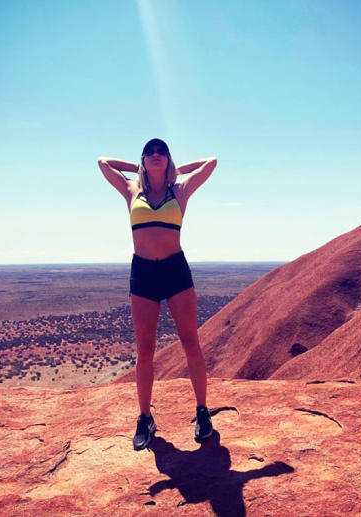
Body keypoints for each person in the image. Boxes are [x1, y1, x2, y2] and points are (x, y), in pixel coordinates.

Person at [98, 139, 218, 449]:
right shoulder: (131, 191)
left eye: (161, 152)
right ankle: (144, 418)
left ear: (168, 159)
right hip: (144, 273)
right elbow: (103, 163)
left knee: (190, 342)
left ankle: (203, 412)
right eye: (149, 152)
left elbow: (211, 162)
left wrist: (175, 170)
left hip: (175, 270)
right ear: (142, 159)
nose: (155, 154)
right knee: (145, 349)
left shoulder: (179, 191)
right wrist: (139, 167)